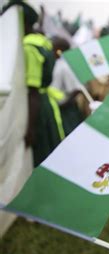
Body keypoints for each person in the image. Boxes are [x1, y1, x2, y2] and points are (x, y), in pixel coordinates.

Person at [3, 1, 64, 167]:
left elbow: (33, 90)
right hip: (45, 104)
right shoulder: (42, 41)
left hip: (36, 110)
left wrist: (30, 128)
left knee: (39, 157)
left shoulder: (29, 48)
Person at [50, 36, 84, 135]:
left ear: (58, 50)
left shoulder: (65, 66)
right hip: (57, 109)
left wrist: (63, 103)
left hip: (66, 111)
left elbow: (76, 89)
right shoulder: (55, 63)